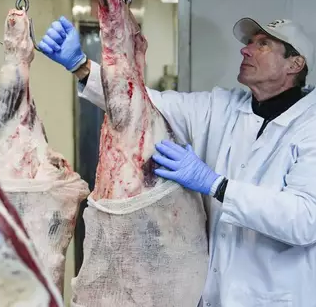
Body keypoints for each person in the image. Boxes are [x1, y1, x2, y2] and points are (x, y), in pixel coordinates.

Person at [38, 16, 316, 306]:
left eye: (263, 45)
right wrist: (82, 67)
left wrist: (216, 185)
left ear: (294, 64)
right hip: (215, 296)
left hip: (279, 297)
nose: (245, 50)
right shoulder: (223, 107)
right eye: (248, 43)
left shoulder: (311, 126)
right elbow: (141, 106)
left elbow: (306, 219)